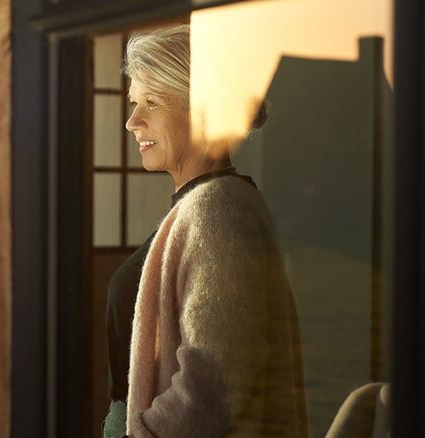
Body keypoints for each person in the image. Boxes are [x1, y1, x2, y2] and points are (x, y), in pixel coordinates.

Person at [103, 24, 308, 438]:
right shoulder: (205, 203)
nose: (132, 122)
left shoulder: (219, 210)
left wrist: (142, 432)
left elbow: (215, 383)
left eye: (151, 103)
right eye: (133, 103)